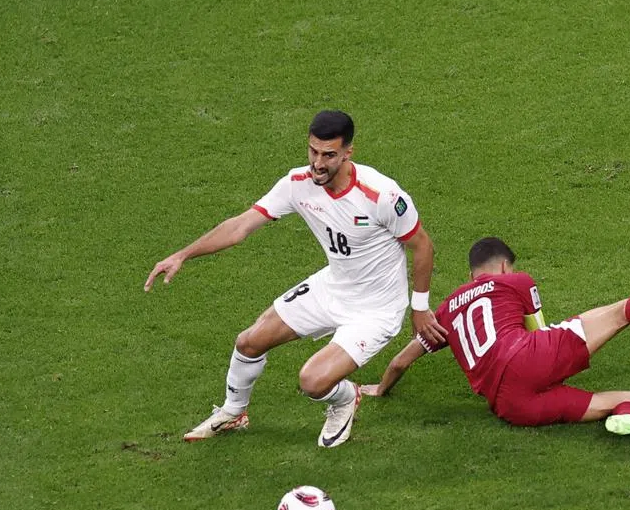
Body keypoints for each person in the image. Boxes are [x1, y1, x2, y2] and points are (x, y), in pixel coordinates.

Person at [144, 110, 443, 448]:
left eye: (329, 155)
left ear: (348, 153)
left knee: (313, 381)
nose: (318, 163)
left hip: (375, 310)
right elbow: (240, 226)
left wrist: (420, 308)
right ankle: (234, 412)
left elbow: (423, 246)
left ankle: (344, 398)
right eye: (313, 151)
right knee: (249, 341)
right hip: (332, 287)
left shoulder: (382, 195)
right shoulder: (297, 184)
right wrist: (182, 254)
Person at [361, 237, 630, 438]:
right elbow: (539, 332)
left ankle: (623, 420)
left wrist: (380, 387)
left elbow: (400, 361)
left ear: (472, 272)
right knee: (622, 311)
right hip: (529, 357)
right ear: (505, 265)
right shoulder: (515, 281)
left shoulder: (444, 311)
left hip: (510, 406)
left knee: (629, 399)